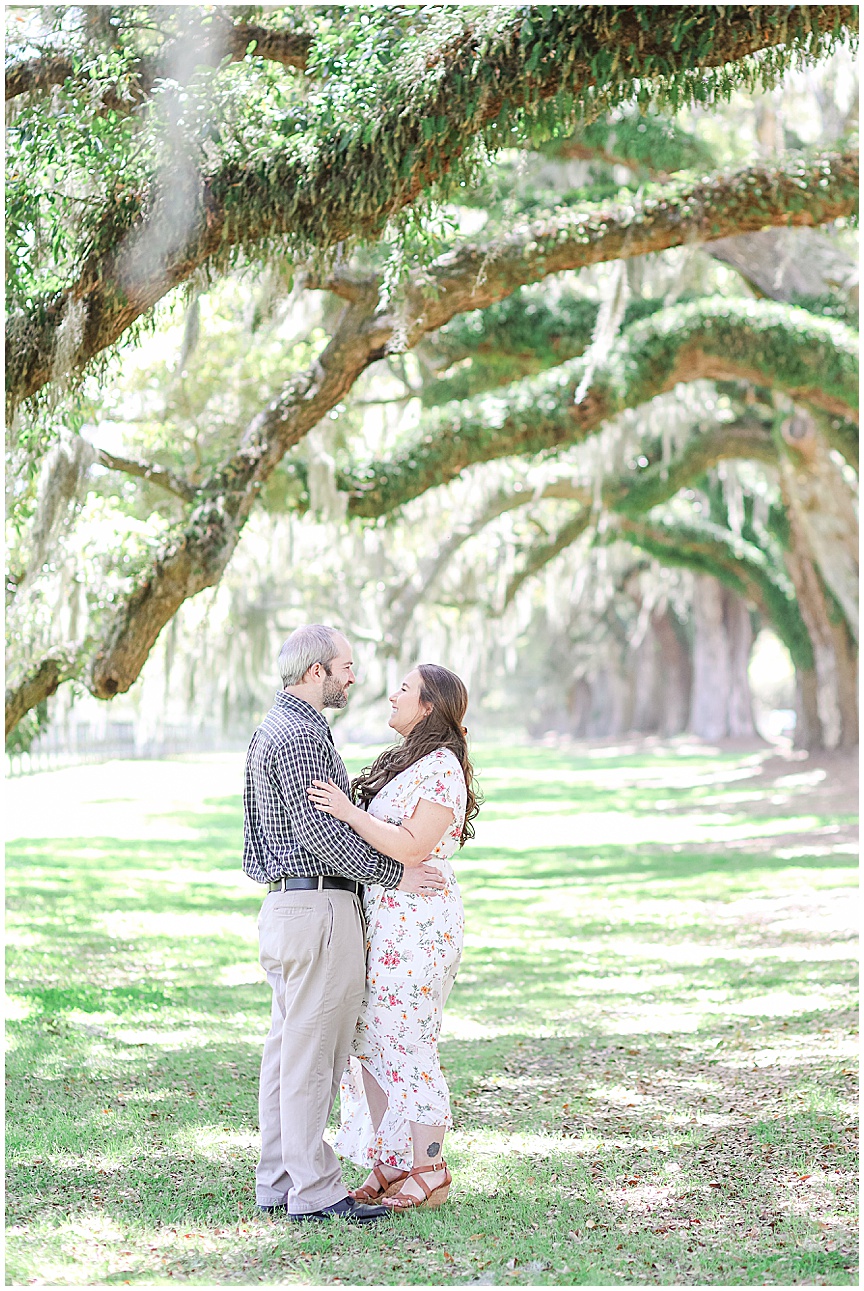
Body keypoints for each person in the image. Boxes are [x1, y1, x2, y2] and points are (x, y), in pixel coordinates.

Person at [242, 625, 446, 1225]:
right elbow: (320, 835)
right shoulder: (304, 733)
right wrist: (393, 873)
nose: (355, 677)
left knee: (285, 1055)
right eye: (346, 666)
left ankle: (277, 1182)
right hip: (319, 911)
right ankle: (313, 1191)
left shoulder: (267, 730)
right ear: (316, 673)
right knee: (313, 1059)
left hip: (284, 908)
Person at [307, 662, 479, 1211]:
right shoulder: (411, 762)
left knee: (406, 1037)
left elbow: (410, 846)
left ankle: (430, 1168)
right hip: (382, 919)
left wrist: (345, 811)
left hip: (418, 922)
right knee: (371, 1041)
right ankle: (389, 1163)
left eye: (404, 689)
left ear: (429, 706)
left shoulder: (443, 768)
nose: (391, 695)